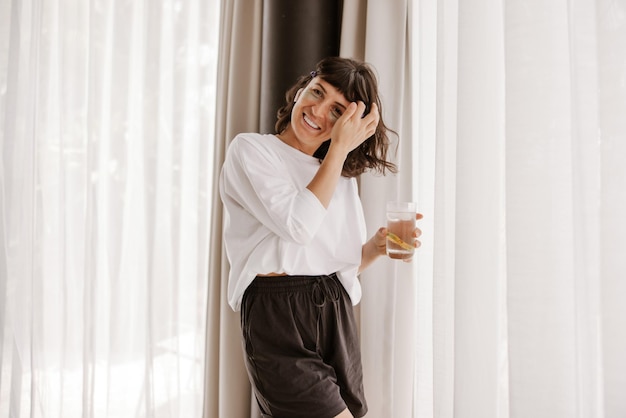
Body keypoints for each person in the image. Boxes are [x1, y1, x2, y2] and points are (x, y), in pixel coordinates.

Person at [219, 56, 423, 418]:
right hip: (277, 316)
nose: (317, 110)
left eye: (337, 111)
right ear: (300, 90)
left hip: (335, 314)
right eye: (316, 92)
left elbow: (330, 265)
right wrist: (340, 148)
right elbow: (297, 225)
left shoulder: (340, 179)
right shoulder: (252, 151)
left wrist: (374, 249)